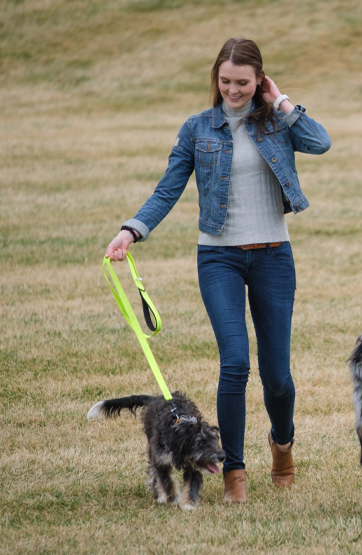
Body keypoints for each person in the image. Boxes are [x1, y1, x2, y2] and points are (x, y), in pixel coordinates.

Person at [105, 38, 331, 505]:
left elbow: (320, 142)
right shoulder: (197, 129)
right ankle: (234, 470)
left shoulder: (276, 122)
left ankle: (282, 446)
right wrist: (132, 230)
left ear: (259, 80)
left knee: (278, 377)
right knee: (234, 363)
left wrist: (280, 99)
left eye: (244, 83)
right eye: (225, 81)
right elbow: (167, 189)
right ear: (216, 79)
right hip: (218, 258)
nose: (233, 90)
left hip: (273, 256)